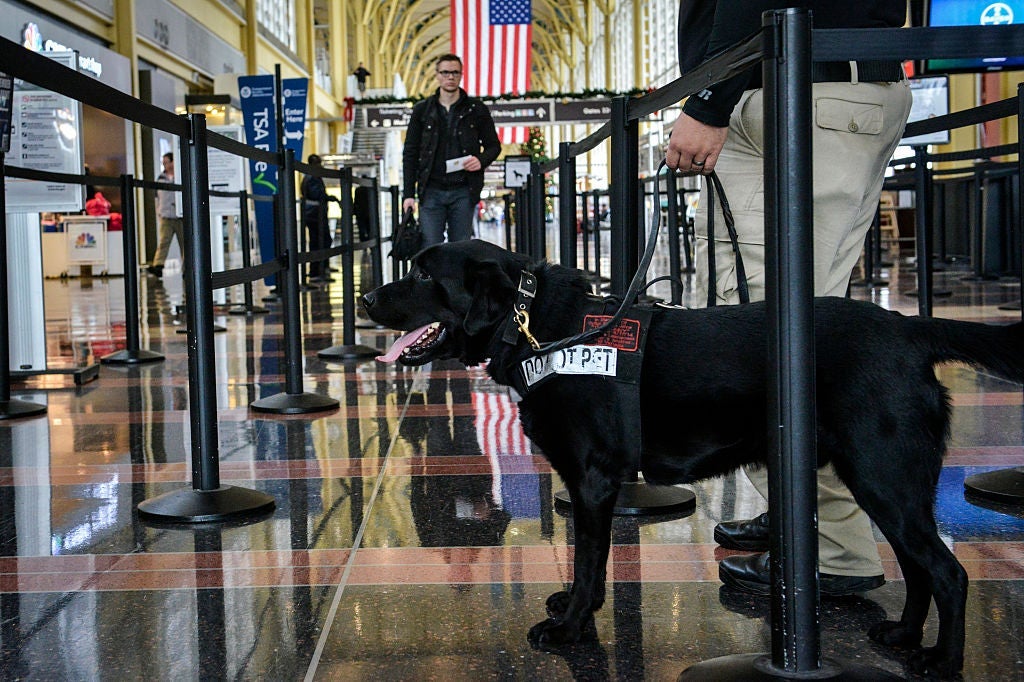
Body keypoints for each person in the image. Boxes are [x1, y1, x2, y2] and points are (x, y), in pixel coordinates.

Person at [665, 1, 913, 596]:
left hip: (792, 88)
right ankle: (800, 514)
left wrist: (708, 100)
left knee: (764, 336)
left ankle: (833, 551)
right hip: (839, 87)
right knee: (804, 317)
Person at [402, 54, 501, 247]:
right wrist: (408, 194)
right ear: (437, 75)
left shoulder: (476, 109)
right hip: (430, 189)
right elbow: (410, 153)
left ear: (461, 75)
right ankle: (434, 279)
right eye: (445, 72)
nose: (450, 77)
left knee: (461, 247)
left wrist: (481, 160)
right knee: (430, 247)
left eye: (455, 72)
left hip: (464, 189)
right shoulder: (422, 111)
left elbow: (494, 146)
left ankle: (458, 279)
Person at [300, 154, 340, 281]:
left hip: (315, 214)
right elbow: (317, 194)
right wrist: (330, 198)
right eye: (318, 163)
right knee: (320, 241)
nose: (320, 166)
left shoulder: (312, 177)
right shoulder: (312, 178)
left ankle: (322, 267)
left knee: (322, 241)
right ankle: (316, 271)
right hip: (314, 215)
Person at [149, 152, 183, 277]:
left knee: (184, 244)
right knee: (164, 241)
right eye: (163, 163)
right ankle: (158, 265)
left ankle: (187, 269)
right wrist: (159, 212)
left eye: (167, 162)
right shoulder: (161, 178)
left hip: (180, 217)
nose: (165, 165)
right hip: (166, 216)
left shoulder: (180, 176)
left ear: (173, 162)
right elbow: (157, 197)